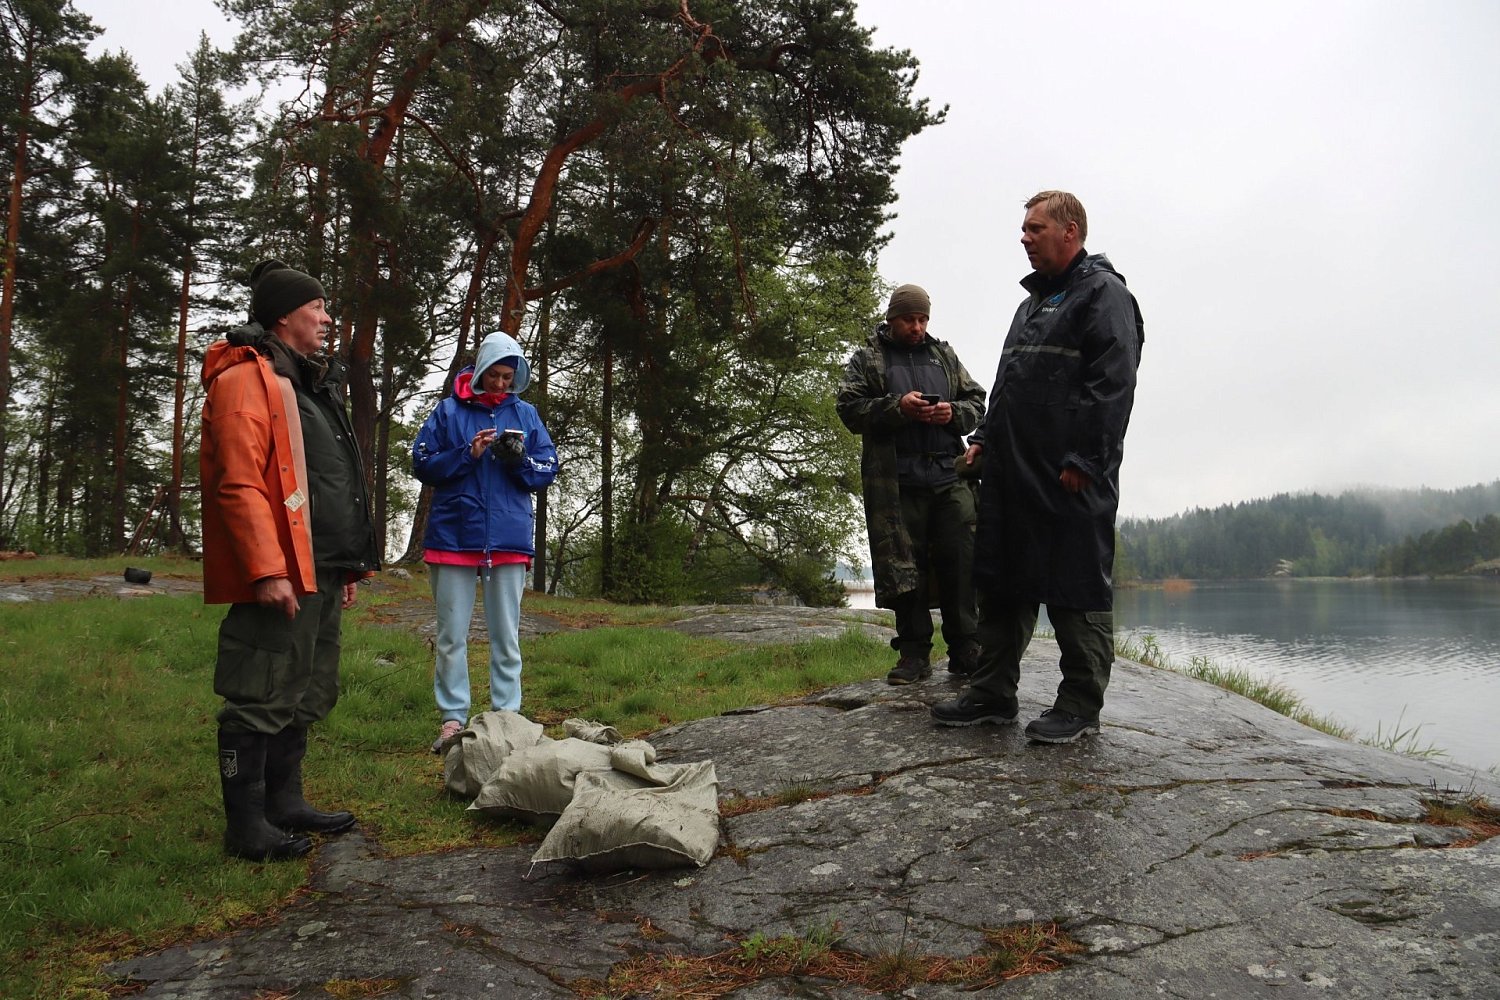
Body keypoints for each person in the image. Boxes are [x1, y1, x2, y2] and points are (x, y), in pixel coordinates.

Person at [932, 190, 1144, 743]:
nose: (1024, 237)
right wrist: (982, 439)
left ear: (1070, 231)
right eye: (1023, 229)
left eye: (1035, 227)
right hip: (1011, 471)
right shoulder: (1029, 306)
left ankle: (1079, 705)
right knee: (1001, 584)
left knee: (1075, 588)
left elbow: (1112, 388)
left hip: (1068, 474)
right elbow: (1007, 387)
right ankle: (991, 693)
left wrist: (1086, 460)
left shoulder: (1105, 296)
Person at [200, 259, 380, 861]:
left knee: (305, 687)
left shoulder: (308, 381)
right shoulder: (245, 379)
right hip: (279, 568)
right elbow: (240, 483)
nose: (328, 318)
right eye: (318, 308)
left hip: (321, 566)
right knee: (261, 688)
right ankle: (245, 827)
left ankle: (286, 803)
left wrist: (347, 564)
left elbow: (329, 479)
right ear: (284, 315)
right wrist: (266, 568)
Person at [412, 331, 558, 753]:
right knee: (451, 635)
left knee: (506, 636)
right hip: (454, 536)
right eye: (493, 375)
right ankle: (452, 719)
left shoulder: (527, 414)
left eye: (507, 377)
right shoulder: (447, 412)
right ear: (479, 371)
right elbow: (421, 464)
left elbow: (547, 467)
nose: (499, 384)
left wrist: (519, 462)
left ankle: (507, 716)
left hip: (508, 537)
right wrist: (467, 454)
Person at [836, 284, 988, 684]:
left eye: (923, 320)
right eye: (910, 319)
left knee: (961, 561)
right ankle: (914, 655)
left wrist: (951, 413)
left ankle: (966, 649)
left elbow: (977, 401)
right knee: (906, 569)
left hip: (948, 477)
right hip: (896, 484)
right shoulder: (869, 358)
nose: (917, 327)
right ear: (892, 318)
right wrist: (897, 407)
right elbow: (848, 409)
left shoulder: (944, 355)